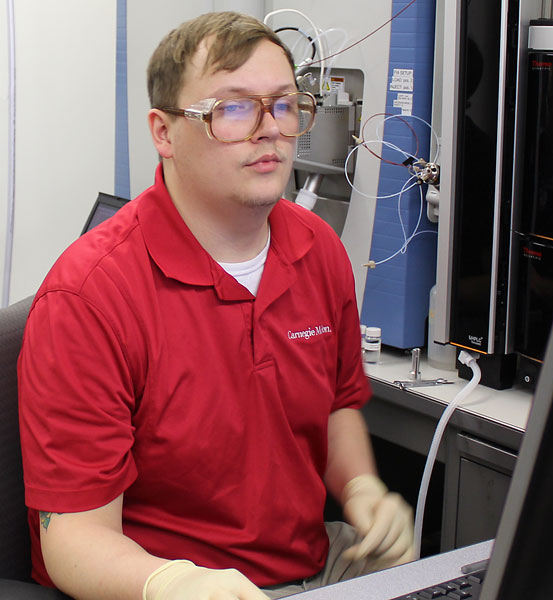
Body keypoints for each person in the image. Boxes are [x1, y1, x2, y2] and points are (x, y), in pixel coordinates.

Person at [17, 11, 414, 600]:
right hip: (157, 582)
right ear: (163, 132)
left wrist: (360, 489)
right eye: (232, 109)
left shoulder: (319, 251)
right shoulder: (90, 297)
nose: (270, 129)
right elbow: (72, 540)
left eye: (283, 105)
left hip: (313, 564)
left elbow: (335, 406)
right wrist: (170, 583)